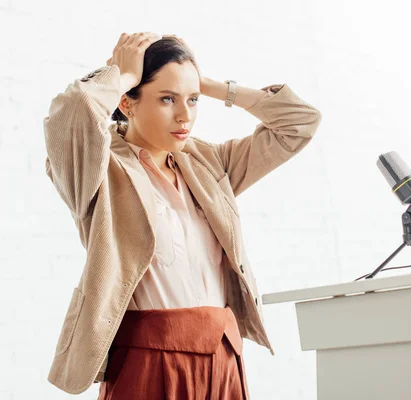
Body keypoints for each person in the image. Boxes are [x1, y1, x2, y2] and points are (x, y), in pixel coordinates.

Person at [43, 32, 322, 399]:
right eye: (166, 99)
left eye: (191, 100)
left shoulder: (209, 163)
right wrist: (123, 74)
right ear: (127, 103)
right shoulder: (99, 169)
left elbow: (299, 123)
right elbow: (73, 112)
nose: (184, 114)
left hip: (223, 359)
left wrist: (204, 85)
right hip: (148, 360)